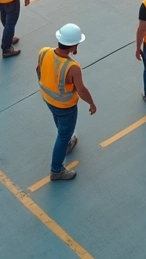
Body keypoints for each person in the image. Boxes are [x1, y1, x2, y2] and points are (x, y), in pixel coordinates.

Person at [38, 23, 96, 182]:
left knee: (59, 123)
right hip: (66, 106)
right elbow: (81, 90)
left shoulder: (44, 52)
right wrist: (92, 103)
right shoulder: (73, 67)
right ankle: (56, 170)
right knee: (62, 136)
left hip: (48, 99)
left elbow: (39, 70)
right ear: (73, 46)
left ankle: (69, 141)